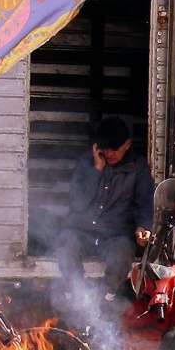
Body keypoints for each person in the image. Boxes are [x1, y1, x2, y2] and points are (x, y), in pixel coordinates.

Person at [56, 116, 155, 303]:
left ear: (127, 144)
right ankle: (77, 296)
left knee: (123, 251)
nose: (109, 153)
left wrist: (143, 227)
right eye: (105, 148)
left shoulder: (138, 167)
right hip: (81, 232)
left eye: (114, 149)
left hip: (114, 236)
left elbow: (144, 203)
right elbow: (77, 203)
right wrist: (97, 171)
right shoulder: (86, 163)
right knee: (65, 243)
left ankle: (104, 298)